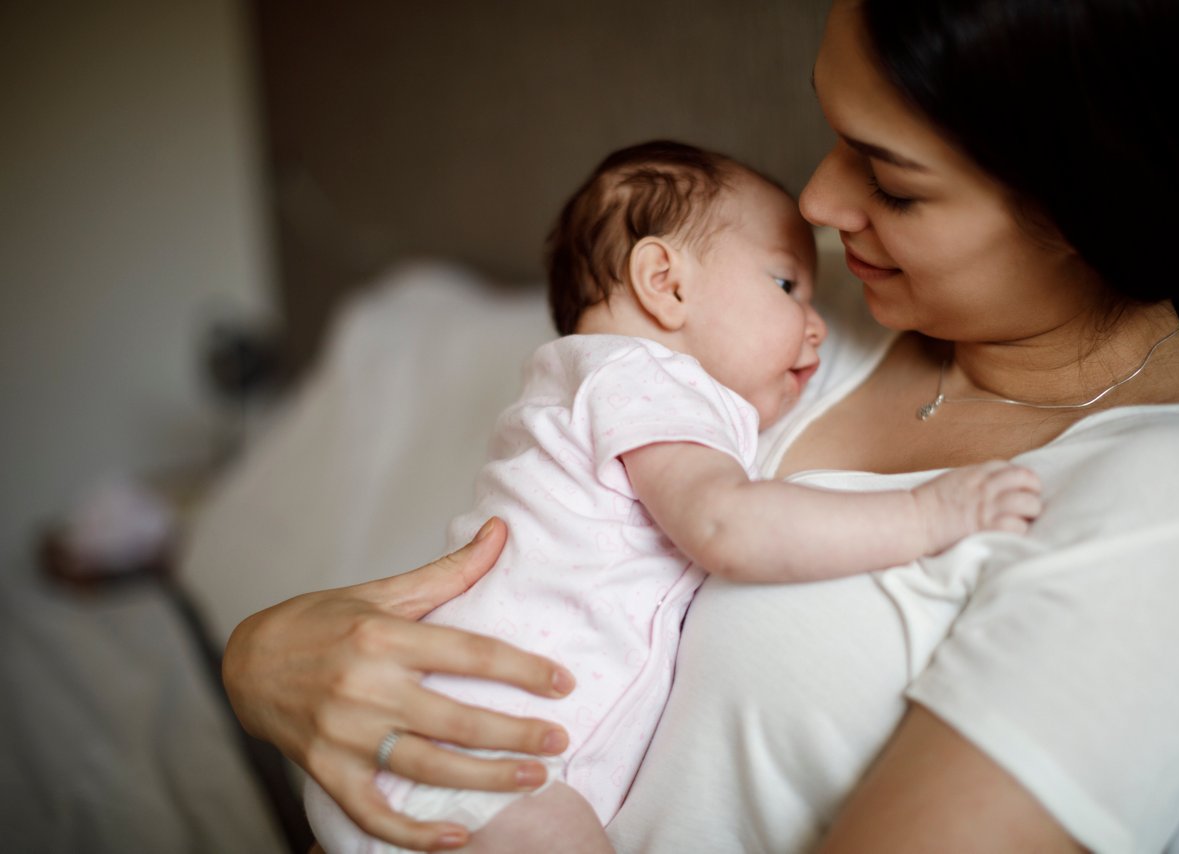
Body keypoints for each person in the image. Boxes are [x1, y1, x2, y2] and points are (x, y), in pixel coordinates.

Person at [221, 0, 1179, 851]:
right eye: (830, 133)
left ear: (1083, 206)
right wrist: (260, 659)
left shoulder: (1168, 504)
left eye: (889, 181)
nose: (817, 204)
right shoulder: (780, 318)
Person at [303, 140, 1042, 854]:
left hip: (438, 754)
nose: (816, 325)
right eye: (787, 284)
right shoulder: (640, 379)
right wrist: (933, 511)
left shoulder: (594, 387)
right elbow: (725, 523)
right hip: (468, 758)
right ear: (666, 283)